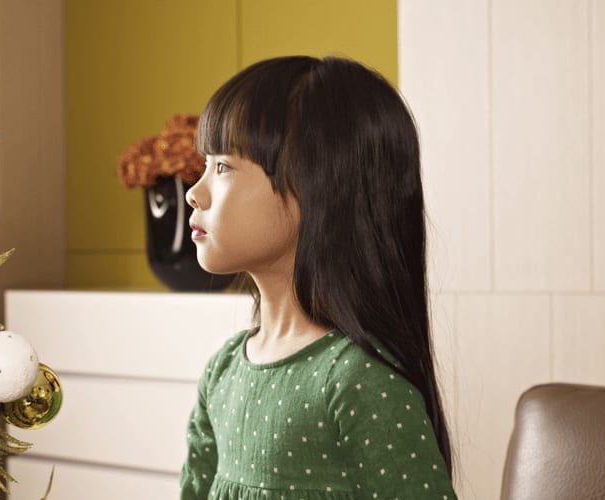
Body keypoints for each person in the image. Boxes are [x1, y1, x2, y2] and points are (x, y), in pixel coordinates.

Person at [180, 56, 457, 499]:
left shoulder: (358, 382)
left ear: (317, 187)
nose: (195, 192)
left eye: (223, 167)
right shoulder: (223, 372)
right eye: (205, 165)